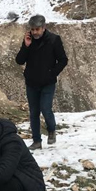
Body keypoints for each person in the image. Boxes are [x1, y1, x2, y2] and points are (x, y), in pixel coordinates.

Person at [15, 14, 68, 150]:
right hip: (31, 82)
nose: (34, 32)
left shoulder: (54, 40)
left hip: (47, 83)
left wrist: (52, 73)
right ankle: (36, 141)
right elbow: (20, 60)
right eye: (32, 29)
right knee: (34, 113)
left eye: (37, 29)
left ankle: (51, 129)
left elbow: (63, 60)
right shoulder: (29, 40)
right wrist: (26, 46)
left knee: (46, 109)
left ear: (44, 28)